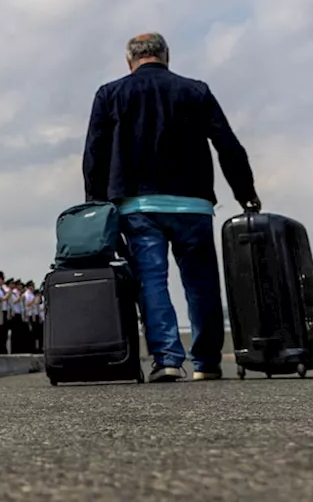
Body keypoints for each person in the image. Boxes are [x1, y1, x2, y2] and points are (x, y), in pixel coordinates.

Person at [83, 32, 259, 383]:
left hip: (137, 205)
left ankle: (166, 359)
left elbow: (94, 155)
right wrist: (246, 195)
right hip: (192, 204)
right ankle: (207, 363)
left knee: (150, 281)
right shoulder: (196, 91)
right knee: (202, 283)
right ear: (167, 55)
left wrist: (96, 206)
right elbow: (228, 144)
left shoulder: (110, 94)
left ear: (128, 60)